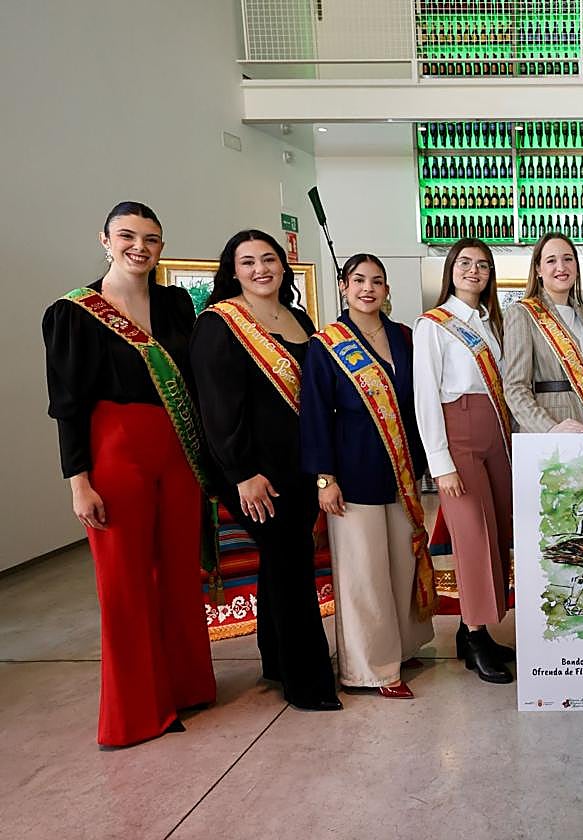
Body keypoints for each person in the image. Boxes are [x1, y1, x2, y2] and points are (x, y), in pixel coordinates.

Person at [42, 201, 216, 748]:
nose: (139, 247)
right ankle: (136, 712)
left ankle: (186, 686)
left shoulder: (174, 304)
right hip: (116, 450)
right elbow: (67, 405)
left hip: (176, 450)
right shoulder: (73, 312)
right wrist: (78, 481)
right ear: (105, 240)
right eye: (127, 236)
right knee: (124, 583)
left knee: (180, 572)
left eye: (151, 238)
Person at [191, 230, 340, 711]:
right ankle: (308, 682)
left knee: (283, 562)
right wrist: (242, 473)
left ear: (283, 265)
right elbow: (216, 409)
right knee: (292, 565)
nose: (261, 269)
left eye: (269, 259)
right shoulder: (219, 323)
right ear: (232, 270)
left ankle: (278, 660)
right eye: (248, 261)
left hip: (300, 464)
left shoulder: (298, 317)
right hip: (255, 472)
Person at [299, 254, 435, 699]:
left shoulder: (403, 337)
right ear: (344, 286)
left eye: (377, 281)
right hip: (352, 473)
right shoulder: (327, 344)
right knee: (364, 576)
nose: (367, 289)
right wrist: (325, 479)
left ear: (387, 289)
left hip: (401, 471)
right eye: (358, 280)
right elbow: (315, 414)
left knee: (400, 564)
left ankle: (402, 647)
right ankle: (370, 668)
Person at [414, 237, 514, 684]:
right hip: (459, 434)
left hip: (496, 433)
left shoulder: (492, 323)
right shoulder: (434, 324)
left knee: (496, 533)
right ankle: (475, 639)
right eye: (465, 263)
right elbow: (425, 398)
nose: (474, 271)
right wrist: (441, 463)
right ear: (450, 269)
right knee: (473, 536)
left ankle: (472, 629)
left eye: (483, 265)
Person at [502, 232, 583, 433]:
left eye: (568, 259)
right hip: (547, 428)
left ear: (576, 267)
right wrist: (550, 428)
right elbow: (515, 388)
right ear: (538, 269)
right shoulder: (522, 313)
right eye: (551, 260)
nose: (561, 267)